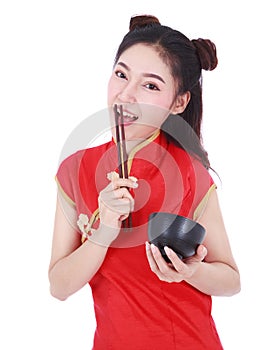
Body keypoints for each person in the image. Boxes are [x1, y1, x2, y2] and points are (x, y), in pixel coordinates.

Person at [48, 14, 241, 349]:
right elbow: (59, 286)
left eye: (150, 85)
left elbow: (231, 281)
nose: (126, 94)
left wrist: (190, 271)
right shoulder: (75, 170)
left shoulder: (190, 172)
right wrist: (104, 230)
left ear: (179, 102)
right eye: (121, 74)